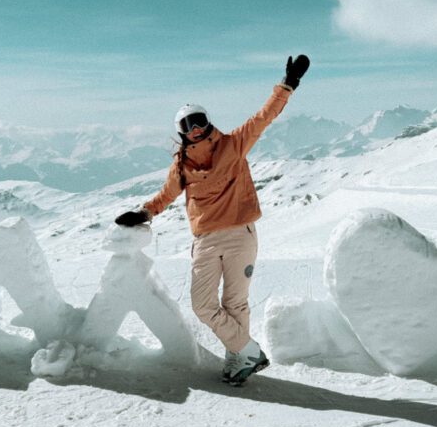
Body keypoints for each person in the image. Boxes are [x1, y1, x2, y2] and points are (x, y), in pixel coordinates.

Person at [115, 55, 310, 385]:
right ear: (181, 131)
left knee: (236, 303)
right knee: (203, 304)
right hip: (207, 240)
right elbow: (166, 194)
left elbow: (264, 117)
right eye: (188, 125)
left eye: (199, 120)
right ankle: (248, 350)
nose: (196, 129)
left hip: (241, 234)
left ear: (208, 121)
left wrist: (288, 84)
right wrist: (145, 212)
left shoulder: (234, 145)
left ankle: (238, 361)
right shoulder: (181, 166)